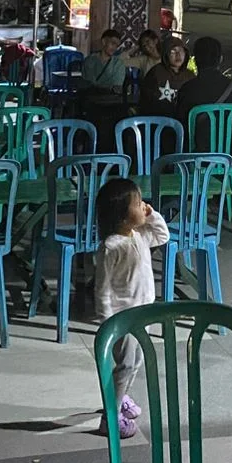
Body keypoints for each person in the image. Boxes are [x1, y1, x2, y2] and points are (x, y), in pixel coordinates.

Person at [93, 177, 170, 440]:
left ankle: (120, 395)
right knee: (125, 364)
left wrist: (152, 215)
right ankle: (110, 416)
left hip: (142, 314)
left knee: (135, 360)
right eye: (138, 204)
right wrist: (107, 323)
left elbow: (163, 235)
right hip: (122, 319)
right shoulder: (111, 247)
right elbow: (102, 288)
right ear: (122, 215)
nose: (144, 206)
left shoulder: (139, 236)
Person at [175, 35, 232, 152]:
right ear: (220, 59)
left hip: (195, 157)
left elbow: (181, 126)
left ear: (195, 60)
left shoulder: (187, 89)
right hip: (229, 157)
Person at [138, 33, 193, 118]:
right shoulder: (155, 73)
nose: (178, 55)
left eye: (181, 51)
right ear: (166, 54)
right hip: (159, 121)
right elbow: (146, 104)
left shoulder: (190, 76)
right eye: (173, 51)